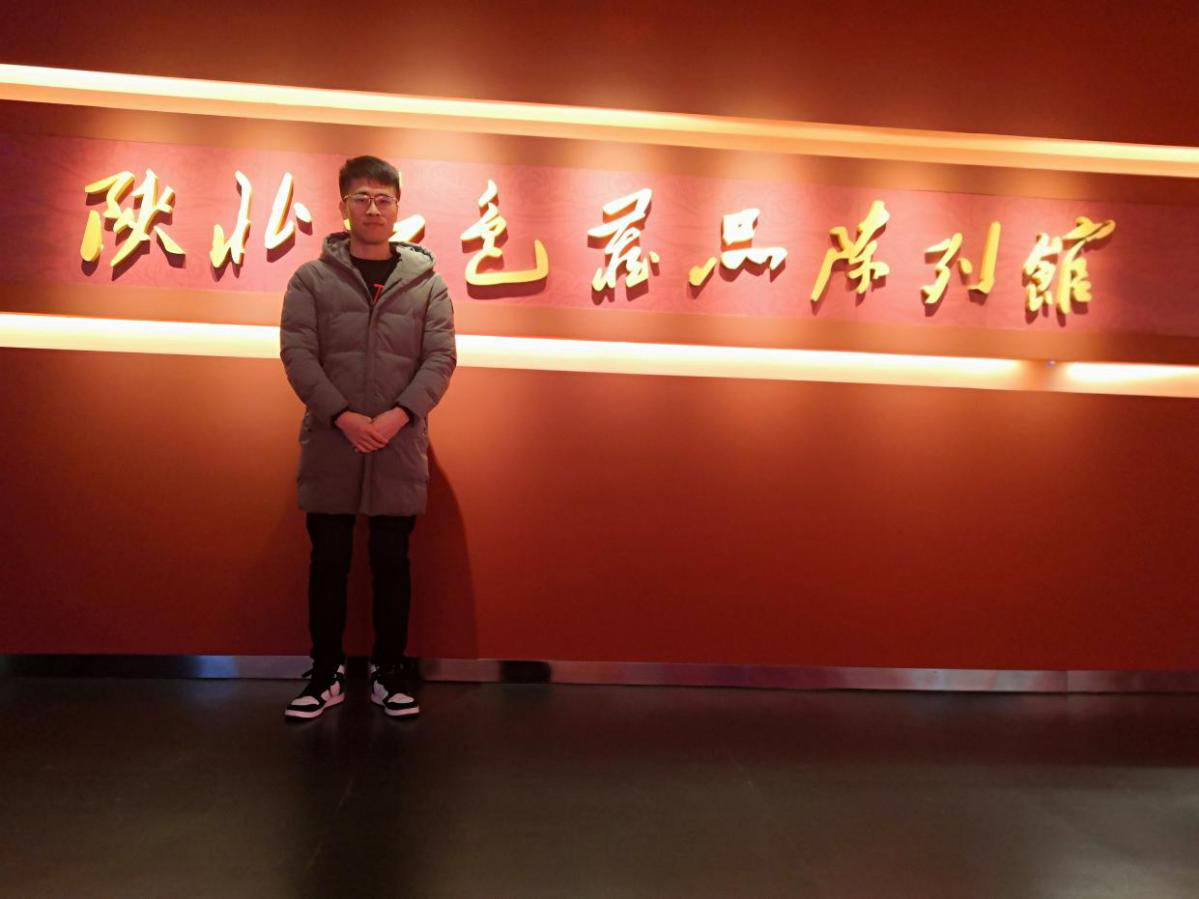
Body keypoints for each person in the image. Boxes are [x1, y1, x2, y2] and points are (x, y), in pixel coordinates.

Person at [279, 155, 456, 720]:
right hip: (333, 440)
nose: (373, 208)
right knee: (327, 562)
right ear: (343, 206)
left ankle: (390, 671)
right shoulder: (310, 280)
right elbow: (297, 353)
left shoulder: (428, 284)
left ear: (398, 208)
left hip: (399, 443)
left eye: (383, 199)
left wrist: (398, 417)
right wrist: (344, 417)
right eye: (362, 197)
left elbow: (440, 359)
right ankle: (325, 672)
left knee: (393, 562)